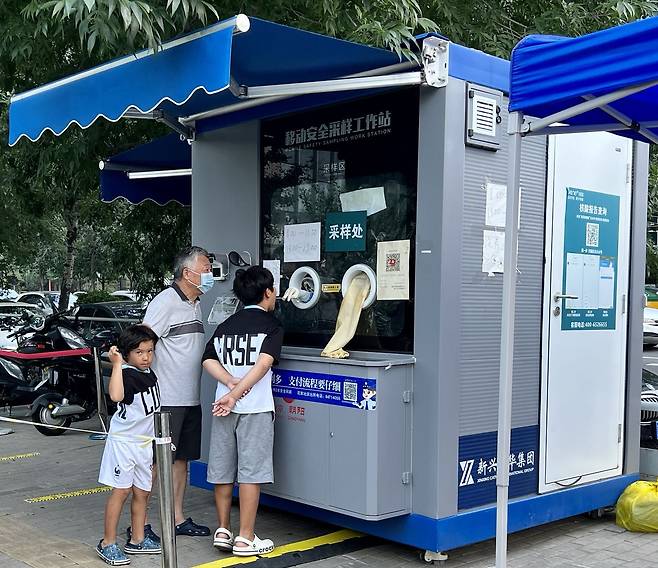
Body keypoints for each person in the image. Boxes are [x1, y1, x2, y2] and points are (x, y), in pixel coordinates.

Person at [202, 266, 283, 556]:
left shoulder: (225, 326)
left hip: (222, 406)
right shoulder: (272, 327)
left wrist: (228, 384)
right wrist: (237, 393)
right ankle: (246, 538)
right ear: (267, 293)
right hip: (254, 409)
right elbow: (263, 365)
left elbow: (208, 360)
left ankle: (223, 529)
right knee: (250, 473)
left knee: (223, 470)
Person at [140, 245, 213, 538]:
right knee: (157, 462)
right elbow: (142, 342)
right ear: (187, 273)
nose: (211, 274)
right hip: (166, 399)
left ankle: (176, 519)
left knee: (182, 460)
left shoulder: (195, 303)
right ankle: (140, 523)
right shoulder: (165, 302)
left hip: (189, 397)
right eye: (206, 269)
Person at [97, 325, 161, 566]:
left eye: (150, 351)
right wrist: (115, 364)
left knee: (142, 492)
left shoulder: (148, 373)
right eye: (139, 352)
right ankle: (108, 542)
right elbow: (114, 396)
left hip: (145, 443)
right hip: (124, 444)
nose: (146, 357)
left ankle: (137, 538)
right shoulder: (125, 373)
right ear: (126, 354)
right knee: (121, 491)